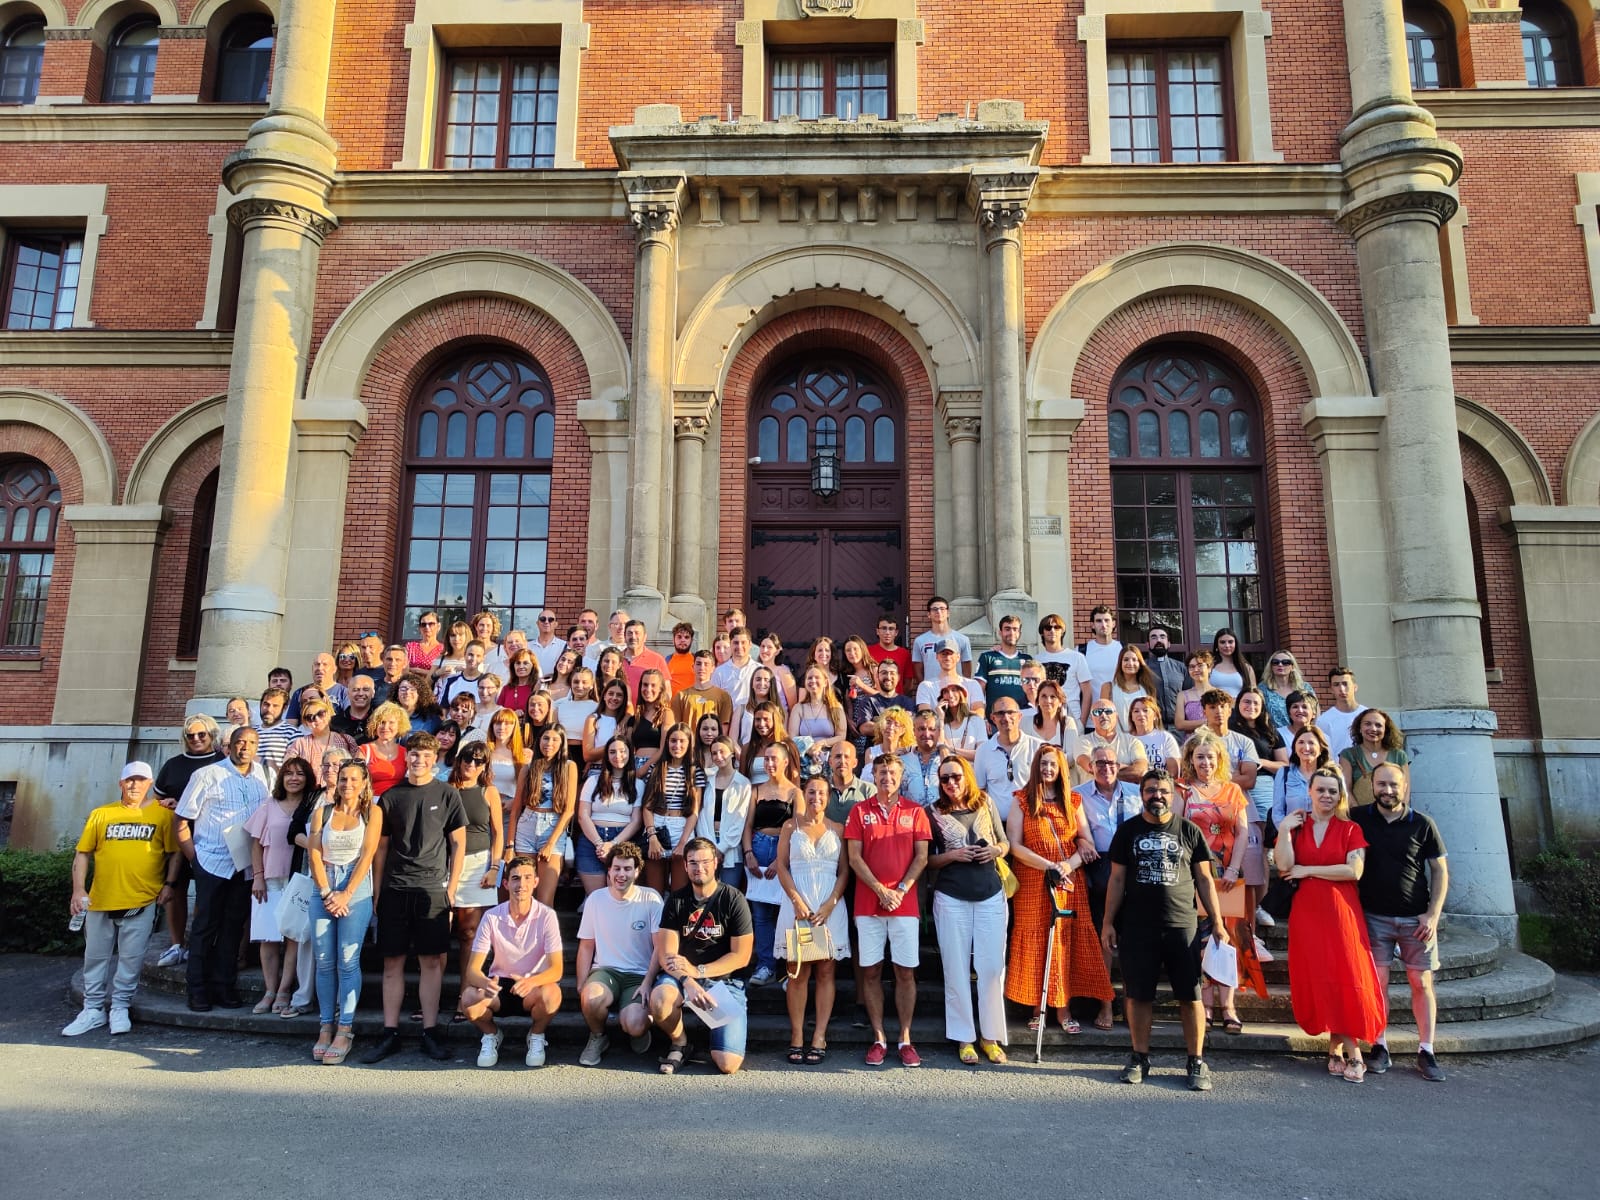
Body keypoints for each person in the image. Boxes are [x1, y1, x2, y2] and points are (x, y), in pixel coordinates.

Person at [1102, 768, 1230, 1092]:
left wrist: (1217, 921)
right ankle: (1139, 1056)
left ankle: (1196, 1060)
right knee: (1138, 995)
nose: (1156, 796)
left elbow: (1204, 879)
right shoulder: (1127, 832)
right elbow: (1116, 880)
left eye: (1162, 791)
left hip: (1182, 927)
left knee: (1191, 996)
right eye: (1150, 791)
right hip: (1137, 927)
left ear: (1172, 795)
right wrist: (1107, 923)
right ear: (1141, 794)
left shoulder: (1188, 831)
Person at [1274, 767, 1388, 1083]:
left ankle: (1353, 1053)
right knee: (1321, 977)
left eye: (1332, 791)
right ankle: (1335, 1048)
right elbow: (1284, 866)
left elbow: (1354, 871)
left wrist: (1307, 869)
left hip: (1341, 913)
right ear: (1309, 792)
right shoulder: (1297, 827)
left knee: (1346, 976)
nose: (1327, 795)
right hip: (1308, 913)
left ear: (1340, 796)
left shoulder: (1349, 829)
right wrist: (1283, 829)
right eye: (1321, 790)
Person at [362, 732, 467, 1064]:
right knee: (392, 963)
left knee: (431, 962)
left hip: (432, 889)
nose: (419, 760)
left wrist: (450, 890)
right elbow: (379, 849)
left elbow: (459, 845)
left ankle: (430, 1031)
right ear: (406, 758)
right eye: (414, 755)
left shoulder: (448, 794)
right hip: (394, 888)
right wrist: (377, 892)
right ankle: (390, 1032)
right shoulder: (391, 796)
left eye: (425, 756)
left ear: (434, 759)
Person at [63, 762, 180, 1037]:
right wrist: (79, 889)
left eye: (140, 780)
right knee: (95, 957)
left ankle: (120, 1007)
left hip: (141, 900)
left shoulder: (162, 815)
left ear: (149, 783)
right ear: (120, 783)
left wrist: (170, 884)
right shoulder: (101, 814)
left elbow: (174, 852)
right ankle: (92, 1009)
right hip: (101, 899)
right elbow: (82, 853)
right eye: (129, 780)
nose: (134, 785)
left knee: (131, 958)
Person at [1006, 745, 1114, 1037]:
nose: (1047, 769)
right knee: (1036, 940)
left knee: (1063, 943)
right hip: (1032, 878)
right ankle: (1036, 1008)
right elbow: (1014, 845)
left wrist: (1067, 865)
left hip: (1067, 881)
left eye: (1052, 764)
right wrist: (1048, 866)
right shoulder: (1021, 801)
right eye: (1043, 764)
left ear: (1061, 768)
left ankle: (1063, 1007)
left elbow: (1086, 842)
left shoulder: (1073, 800)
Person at [1353, 763, 1449, 1082]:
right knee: (1377, 984)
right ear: (1372, 786)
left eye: (1394, 785)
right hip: (1373, 917)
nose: (1388, 790)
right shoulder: (1359, 819)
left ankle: (1426, 1050)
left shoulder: (1422, 823)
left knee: (1421, 983)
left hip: (1416, 918)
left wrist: (1433, 914)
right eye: (1382, 784)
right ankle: (1379, 1045)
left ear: (1404, 786)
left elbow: (1439, 871)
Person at [844, 755, 931, 1067]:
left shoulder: (915, 812)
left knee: (905, 972)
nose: (887, 778)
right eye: (882, 772)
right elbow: (854, 857)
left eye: (893, 773)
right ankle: (879, 1037)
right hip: (868, 905)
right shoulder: (859, 810)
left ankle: (905, 1038)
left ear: (901, 777)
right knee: (871, 971)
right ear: (874, 775)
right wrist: (881, 890)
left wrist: (901, 890)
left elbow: (921, 857)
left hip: (904, 905)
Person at [176, 727, 269, 1013]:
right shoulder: (207, 775)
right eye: (240, 742)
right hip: (212, 862)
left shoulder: (264, 777)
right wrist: (196, 861)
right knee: (205, 928)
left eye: (252, 743)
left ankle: (224, 986)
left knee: (232, 928)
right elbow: (181, 821)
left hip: (244, 868)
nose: (245, 748)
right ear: (229, 746)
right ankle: (197, 990)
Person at [927, 756, 1011, 1063]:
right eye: (945, 778)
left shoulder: (985, 803)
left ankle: (990, 1036)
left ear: (968, 777)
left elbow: (1005, 844)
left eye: (956, 777)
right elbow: (926, 861)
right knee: (956, 969)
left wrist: (993, 850)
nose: (951, 783)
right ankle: (964, 1038)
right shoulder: (932, 812)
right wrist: (954, 855)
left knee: (991, 969)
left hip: (990, 893)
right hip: (951, 897)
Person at [649, 837, 755, 1075]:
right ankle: (680, 1042)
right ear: (685, 866)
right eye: (693, 862)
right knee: (660, 999)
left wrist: (699, 972)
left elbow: (742, 956)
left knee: (728, 1064)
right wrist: (688, 980)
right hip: (681, 979)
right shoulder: (676, 900)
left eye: (705, 861)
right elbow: (667, 954)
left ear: (716, 862)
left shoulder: (733, 899)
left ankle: (719, 1034)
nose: (699, 868)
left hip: (723, 981)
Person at [1175, 731, 1257, 1035]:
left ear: (1219, 759)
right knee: (1200, 942)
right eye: (1199, 756)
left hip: (1227, 876)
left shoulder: (1232, 790)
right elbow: (1176, 831)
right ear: (1191, 760)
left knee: (1228, 942)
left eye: (1210, 756)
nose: (1205, 762)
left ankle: (1229, 1007)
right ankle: (1206, 1005)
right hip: (1193, 876)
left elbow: (1243, 832)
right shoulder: (1183, 790)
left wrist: (1234, 869)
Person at [306, 760, 383, 1064]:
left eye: (354, 779)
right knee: (324, 961)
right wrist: (326, 892)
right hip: (322, 886)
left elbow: (368, 853)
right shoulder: (322, 811)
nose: (347, 784)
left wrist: (346, 893)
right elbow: (313, 852)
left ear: (364, 782)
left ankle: (345, 1029)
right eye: (343, 779)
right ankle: (325, 1027)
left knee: (348, 961)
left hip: (356, 886)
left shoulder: (372, 812)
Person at [774, 775, 852, 1065]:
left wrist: (831, 903)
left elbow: (845, 871)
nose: (815, 797)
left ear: (828, 797)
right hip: (797, 905)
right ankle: (797, 1035)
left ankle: (819, 1035)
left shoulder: (838, 828)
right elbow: (781, 866)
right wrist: (796, 900)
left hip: (828, 906)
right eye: (810, 792)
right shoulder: (789, 826)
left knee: (826, 972)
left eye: (821, 793)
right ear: (803, 794)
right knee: (797, 973)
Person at [460, 855, 564, 1069]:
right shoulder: (491, 917)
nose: (522, 884)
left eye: (527, 878)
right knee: (469, 997)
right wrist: (484, 984)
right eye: (516, 879)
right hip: (498, 985)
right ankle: (491, 1035)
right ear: (506, 884)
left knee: (553, 994)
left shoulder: (547, 916)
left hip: (532, 988)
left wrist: (532, 982)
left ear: (536, 882)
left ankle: (536, 1035)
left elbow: (557, 969)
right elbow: (472, 971)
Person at [1072, 748, 1144, 1030]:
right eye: (1100, 763)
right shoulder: (1077, 794)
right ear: (1090, 766)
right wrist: (1080, 841)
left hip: (1135, 869)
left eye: (1111, 762)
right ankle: (1105, 1003)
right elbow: (1071, 829)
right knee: (1104, 937)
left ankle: (1131, 1002)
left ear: (1119, 765)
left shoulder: (1136, 792)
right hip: (1100, 869)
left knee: (1133, 941)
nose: (1106, 767)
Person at [577, 840, 664, 1066]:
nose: (621, 874)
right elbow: (586, 945)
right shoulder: (596, 899)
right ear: (609, 870)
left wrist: (648, 982)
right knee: (590, 997)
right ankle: (598, 1037)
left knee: (634, 1025)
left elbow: (659, 948)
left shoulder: (651, 899)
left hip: (639, 974)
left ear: (637, 871)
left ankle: (639, 1028)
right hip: (606, 970)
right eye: (617, 868)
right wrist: (580, 983)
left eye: (627, 869)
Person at [151, 714, 225, 968]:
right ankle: (176, 944)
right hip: (177, 838)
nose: (195, 739)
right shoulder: (173, 764)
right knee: (175, 888)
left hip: (212, 837)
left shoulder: (222, 761)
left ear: (211, 735)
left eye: (201, 734)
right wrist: (168, 804)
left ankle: (201, 942)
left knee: (207, 891)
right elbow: (158, 799)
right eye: (190, 735)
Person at [447, 744, 505, 1014]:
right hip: (445, 863)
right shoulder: (447, 789)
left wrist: (495, 867)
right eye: (468, 759)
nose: (472, 764)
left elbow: (498, 833)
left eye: (479, 761)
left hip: (477, 863)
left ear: (485, 766)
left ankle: (464, 994)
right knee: (439, 931)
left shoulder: (488, 791)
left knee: (469, 932)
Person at [244, 761, 304, 1017]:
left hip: (299, 879)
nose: (294, 778)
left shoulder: (311, 806)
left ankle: (284, 989)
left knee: (293, 939)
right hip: (269, 878)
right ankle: (269, 990)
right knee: (268, 938)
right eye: (289, 773)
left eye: (300, 773)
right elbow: (255, 844)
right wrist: (257, 876)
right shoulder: (269, 805)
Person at [743, 738, 802, 985]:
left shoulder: (795, 792)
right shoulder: (756, 789)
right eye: (765, 759)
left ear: (785, 762)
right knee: (761, 912)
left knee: (786, 911)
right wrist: (748, 853)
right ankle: (766, 965)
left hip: (784, 850)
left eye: (773, 759)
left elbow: (798, 829)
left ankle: (789, 968)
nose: (768, 763)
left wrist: (781, 860)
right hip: (759, 847)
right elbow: (747, 825)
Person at [1230, 687, 1288, 930]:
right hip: (1236, 786)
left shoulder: (1271, 732)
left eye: (1255, 702)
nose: (1250, 706)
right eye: (1246, 701)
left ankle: (1261, 905)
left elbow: (1284, 764)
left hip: (1264, 786)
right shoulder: (1232, 730)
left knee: (1261, 849)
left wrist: (1257, 762)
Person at [506, 725, 577, 908]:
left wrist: (551, 842)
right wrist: (510, 846)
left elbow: (569, 810)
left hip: (553, 826)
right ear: (539, 741)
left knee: (545, 899)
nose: (549, 743)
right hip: (527, 825)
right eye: (546, 738)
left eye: (555, 739)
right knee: (523, 894)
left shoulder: (569, 767)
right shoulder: (528, 768)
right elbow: (516, 809)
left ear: (562, 743)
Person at [640, 722, 703, 895]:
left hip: (682, 826)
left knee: (679, 892)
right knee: (654, 892)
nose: (677, 745)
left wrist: (683, 842)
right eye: (673, 741)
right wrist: (652, 836)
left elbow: (694, 811)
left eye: (682, 741)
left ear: (689, 743)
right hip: (657, 824)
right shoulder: (657, 768)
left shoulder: (694, 770)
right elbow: (647, 806)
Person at [575, 737, 644, 893]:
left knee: (618, 895)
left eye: (622, 751)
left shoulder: (638, 784)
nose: (617, 756)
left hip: (623, 840)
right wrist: (600, 844)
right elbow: (583, 815)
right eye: (612, 752)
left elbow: (636, 821)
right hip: (591, 840)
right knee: (596, 896)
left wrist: (613, 844)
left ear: (630, 753)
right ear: (606, 755)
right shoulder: (592, 781)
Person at [696, 736, 751, 889]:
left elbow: (739, 821)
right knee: (706, 895)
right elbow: (700, 815)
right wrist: (708, 847)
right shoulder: (707, 780)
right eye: (714, 753)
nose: (718, 756)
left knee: (727, 896)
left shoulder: (743, 783)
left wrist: (721, 849)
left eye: (722, 752)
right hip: (707, 845)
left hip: (731, 848)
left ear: (732, 753)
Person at [973, 699, 1040, 820]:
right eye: (1000, 713)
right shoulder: (983, 751)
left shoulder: (1037, 747)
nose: (1006, 717)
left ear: (1019, 716)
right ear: (993, 718)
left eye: (1011, 712)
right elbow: (980, 792)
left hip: (1031, 822)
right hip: (998, 824)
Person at [1339, 707, 1410, 807]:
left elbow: (1405, 791)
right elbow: (1346, 790)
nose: (1373, 729)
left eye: (1378, 725)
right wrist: (1360, 815)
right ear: (1360, 728)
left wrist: (1396, 815)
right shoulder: (1348, 755)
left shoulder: (1399, 755)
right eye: (1367, 724)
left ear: (1385, 730)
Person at [1034, 612, 1094, 724]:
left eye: (1057, 627)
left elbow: (1087, 691)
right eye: (1048, 627)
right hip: (1044, 717)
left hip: (1072, 717)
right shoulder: (1036, 660)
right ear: (1042, 632)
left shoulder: (1076, 657)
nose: (1052, 630)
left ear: (1062, 631)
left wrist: (1082, 721)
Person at [1270, 725, 1333, 828]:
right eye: (1301, 742)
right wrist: (1286, 832)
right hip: (1293, 836)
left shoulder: (1332, 774)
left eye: (1311, 743)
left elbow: (1340, 809)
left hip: (1325, 834)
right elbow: (1277, 813)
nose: (1306, 747)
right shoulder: (1284, 773)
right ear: (1295, 747)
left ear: (1321, 748)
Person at [1073, 701, 1149, 785]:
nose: (1103, 715)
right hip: (1092, 796)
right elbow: (1090, 767)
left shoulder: (1132, 741)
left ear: (1116, 716)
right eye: (1097, 712)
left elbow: (1140, 771)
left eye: (1108, 711)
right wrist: (1126, 768)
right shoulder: (1082, 741)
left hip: (1126, 796)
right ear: (1091, 717)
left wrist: (1103, 770)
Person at [791, 663, 847, 773]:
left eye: (817, 677)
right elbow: (792, 737)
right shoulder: (798, 708)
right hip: (804, 760)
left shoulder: (835, 707)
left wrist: (821, 743)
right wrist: (809, 750)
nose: (813, 681)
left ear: (825, 682)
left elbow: (841, 736)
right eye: (809, 678)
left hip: (828, 760)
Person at [285, 698, 359, 780]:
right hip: (311, 790)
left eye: (320, 714)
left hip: (340, 790)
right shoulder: (299, 743)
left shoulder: (346, 740)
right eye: (310, 717)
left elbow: (357, 769)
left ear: (328, 714)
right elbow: (287, 768)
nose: (316, 719)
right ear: (305, 722)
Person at [851, 658, 913, 753]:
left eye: (892, 673)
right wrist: (897, 726)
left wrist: (879, 724)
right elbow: (864, 728)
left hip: (903, 754)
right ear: (877, 676)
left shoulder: (908, 702)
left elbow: (911, 727)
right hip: (875, 756)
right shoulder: (868, 701)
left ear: (898, 677)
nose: (888, 676)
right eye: (884, 673)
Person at [975, 613, 1033, 712]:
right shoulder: (988, 657)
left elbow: (1033, 689)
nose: (1011, 633)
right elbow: (979, 689)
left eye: (1015, 629)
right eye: (1007, 629)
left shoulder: (1027, 660)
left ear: (1020, 633)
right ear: (1000, 632)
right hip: (994, 719)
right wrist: (981, 716)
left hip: (1022, 716)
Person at [915, 636, 985, 711]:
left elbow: (979, 713)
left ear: (958, 657)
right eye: (943, 654)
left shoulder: (973, 685)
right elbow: (925, 717)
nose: (947, 657)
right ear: (937, 657)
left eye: (951, 654)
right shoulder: (925, 686)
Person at [912, 595, 972, 682]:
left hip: (954, 689)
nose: (938, 611)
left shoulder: (962, 639)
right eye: (934, 609)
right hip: (931, 690)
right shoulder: (920, 641)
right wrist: (925, 687)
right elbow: (918, 670)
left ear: (948, 613)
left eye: (942, 608)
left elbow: (967, 669)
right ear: (929, 614)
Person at [358, 702, 411, 796]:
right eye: (382, 722)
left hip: (398, 802)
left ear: (399, 725)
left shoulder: (405, 752)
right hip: (372, 803)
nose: (385, 727)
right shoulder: (364, 751)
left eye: (391, 722)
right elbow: (356, 781)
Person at [1315, 666, 1368, 761]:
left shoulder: (1368, 715)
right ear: (1331, 689)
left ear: (1355, 687)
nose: (1342, 689)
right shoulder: (1323, 720)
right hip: (1338, 772)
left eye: (1345, 684)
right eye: (1336, 685)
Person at [673, 648, 733, 731]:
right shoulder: (680, 696)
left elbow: (724, 729)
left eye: (706, 664)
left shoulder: (723, 696)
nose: (702, 667)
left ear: (713, 668)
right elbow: (676, 727)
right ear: (693, 667)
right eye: (698, 664)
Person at [898, 707, 945, 808]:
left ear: (939, 731)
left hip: (943, 819)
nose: (927, 734)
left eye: (932, 729)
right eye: (921, 729)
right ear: (914, 731)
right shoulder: (902, 762)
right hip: (911, 819)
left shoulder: (949, 760)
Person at [1144, 625, 1188, 728]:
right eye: (1154, 637)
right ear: (1148, 644)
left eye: (1162, 637)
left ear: (1168, 644)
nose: (1158, 640)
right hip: (1151, 727)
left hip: (1179, 729)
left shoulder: (1181, 668)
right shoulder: (1142, 669)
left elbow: (1190, 696)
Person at [583, 676, 631, 766]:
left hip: (620, 770)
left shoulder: (627, 720)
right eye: (611, 693)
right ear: (604, 696)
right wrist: (614, 741)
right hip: (597, 769)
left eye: (619, 695)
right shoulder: (593, 719)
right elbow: (587, 755)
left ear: (624, 699)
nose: (614, 698)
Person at [1262, 648, 1314, 730]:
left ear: (1292, 666)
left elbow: (1315, 712)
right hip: (1275, 737)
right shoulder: (1263, 689)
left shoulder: (1305, 687)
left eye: (1285, 662)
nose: (1280, 665)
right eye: (1275, 662)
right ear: (1271, 667)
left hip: (1303, 735)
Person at [825, 739, 874, 826]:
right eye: (837, 756)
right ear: (830, 762)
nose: (842, 761)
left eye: (847, 757)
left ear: (855, 763)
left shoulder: (868, 790)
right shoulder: (821, 789)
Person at [1127, 695, 1180, 774]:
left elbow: (1174, 772)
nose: (1141, 714)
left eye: (1145, 710)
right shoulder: (1126, 740)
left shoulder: (1165, 737)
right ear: (1132, 717)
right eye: (1136, 711)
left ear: (1155, 715)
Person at [1079, 604, 1124, 697]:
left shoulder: (1123, 649)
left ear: (1114, 623)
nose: (1103, 625)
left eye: (1107, 620)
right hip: (1092, 709)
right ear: (1092, 625)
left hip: (1120, 708)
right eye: (1099, 621)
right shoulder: (1081, 651)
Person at [938, 681, 988, 762]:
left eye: (954, 690)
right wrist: (940, 718)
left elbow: (983, 754)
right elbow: (941, 751)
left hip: (971, 772)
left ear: (961, 693)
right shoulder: (940, 722)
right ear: (942, 697)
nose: (950, 695)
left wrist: (951, 749)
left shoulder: (976, 720)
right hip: (947, 771)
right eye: (946, 691)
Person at [710, 625, 758, 708]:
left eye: (743, 642)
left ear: (750, 644)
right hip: (728, 719)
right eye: (736, 643)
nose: (739, 646)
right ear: (731, 645)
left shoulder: (759, 669)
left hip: (754, 719)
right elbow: (713, 701)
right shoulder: (719, 672)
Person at [1025, 679, 1079, 752]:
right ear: (1037, 701)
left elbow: (1071, 756)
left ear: (1060, 702)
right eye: (1044, 696)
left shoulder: (1068, 723)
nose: (1048, 700)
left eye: (1053, 696)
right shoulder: (1026, 722)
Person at [866, 615, 914, 696]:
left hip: (897, 701)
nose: (887, 632)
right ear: (877, 631)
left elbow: (909, 684)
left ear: (896, 632)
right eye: (884, 628)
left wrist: (897, 696)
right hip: (874, 701)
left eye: (891, 629)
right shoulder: (868, 652)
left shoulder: (904, 654)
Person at [1173, 650, 1214, 736]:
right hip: (1192, 743)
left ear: (1209, 668)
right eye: (1191, 667)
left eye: (1200, 666)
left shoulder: (1219, 693)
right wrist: (1206, 722)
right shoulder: (1183, 695)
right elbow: (1179, 724)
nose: (1196, 670)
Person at [1208, 627, 1256, 697]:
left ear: (1236, 644)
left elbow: (1253, 693)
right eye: (1222, 642)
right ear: (1216, 645)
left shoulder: (1246, 668)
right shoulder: (1209, 666)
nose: (1227, 645)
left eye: (1230, 642)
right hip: (1215, 706)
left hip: (1239, 707)